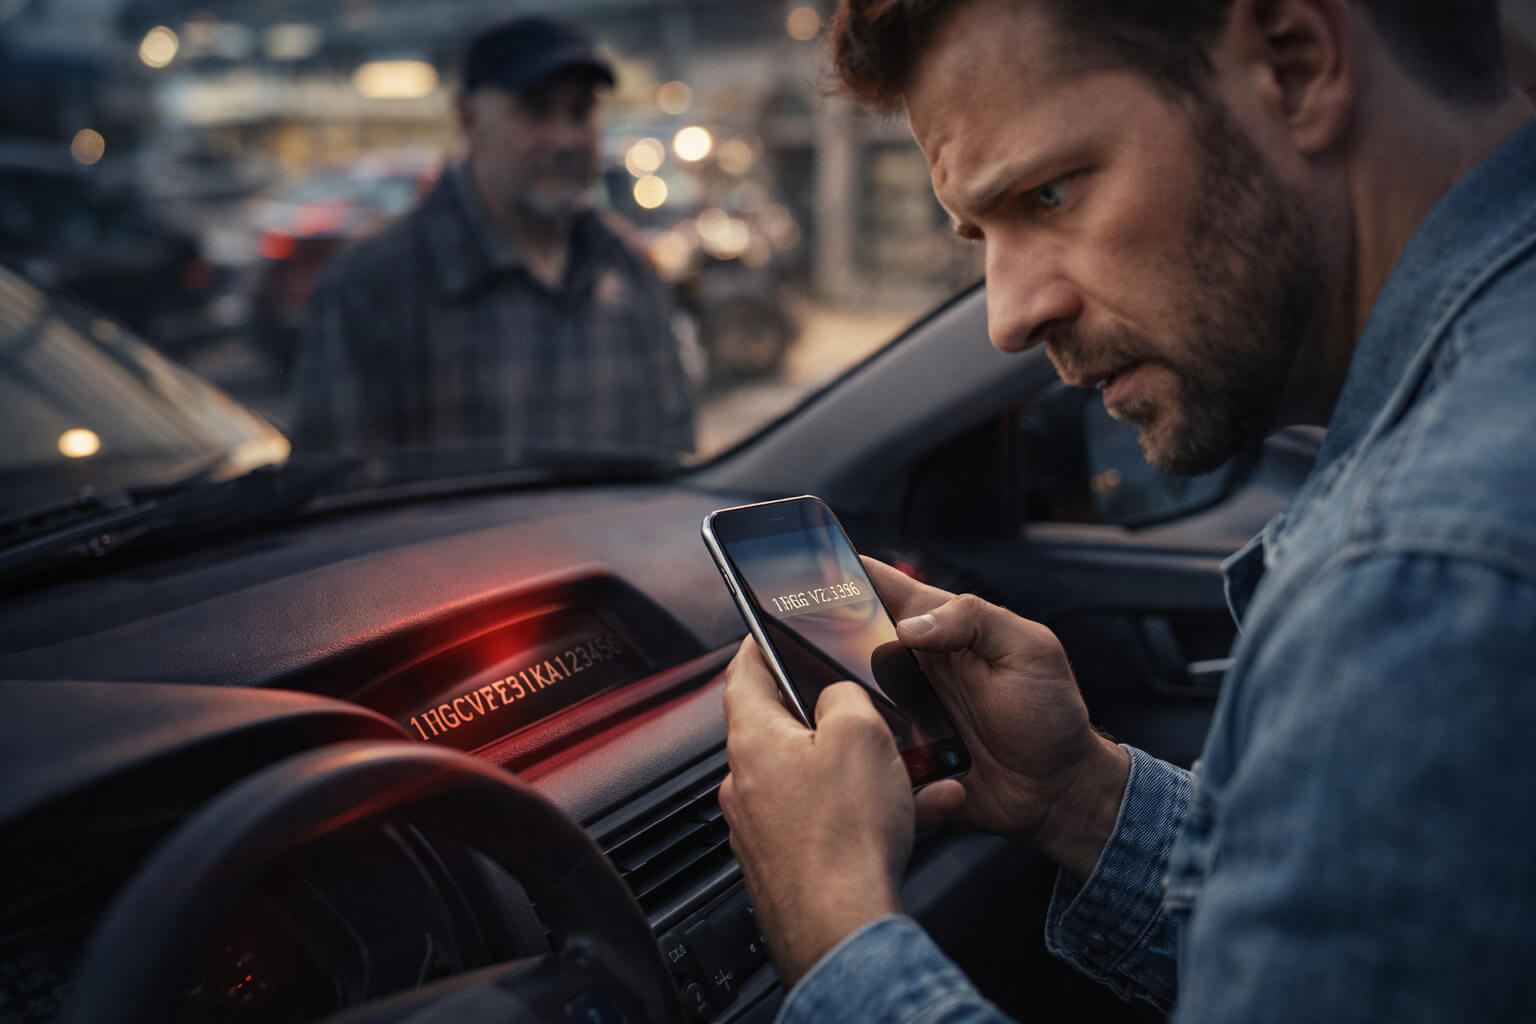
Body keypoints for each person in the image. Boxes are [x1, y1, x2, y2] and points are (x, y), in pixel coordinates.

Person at [719, 1, 1536, 1021]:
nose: (1010, 317)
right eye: (980, 236)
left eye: (1049, 193)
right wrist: (1081, 796)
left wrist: (834, 932)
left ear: (1294, 61)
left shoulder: (1414, 580)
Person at [289, 16, 694, 458]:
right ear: (468, 118)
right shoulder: (371, 285)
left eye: (580, 110)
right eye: (535, 110)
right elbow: (340, 497)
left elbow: (671, 455)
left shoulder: (627, 264)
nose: (564, 138)